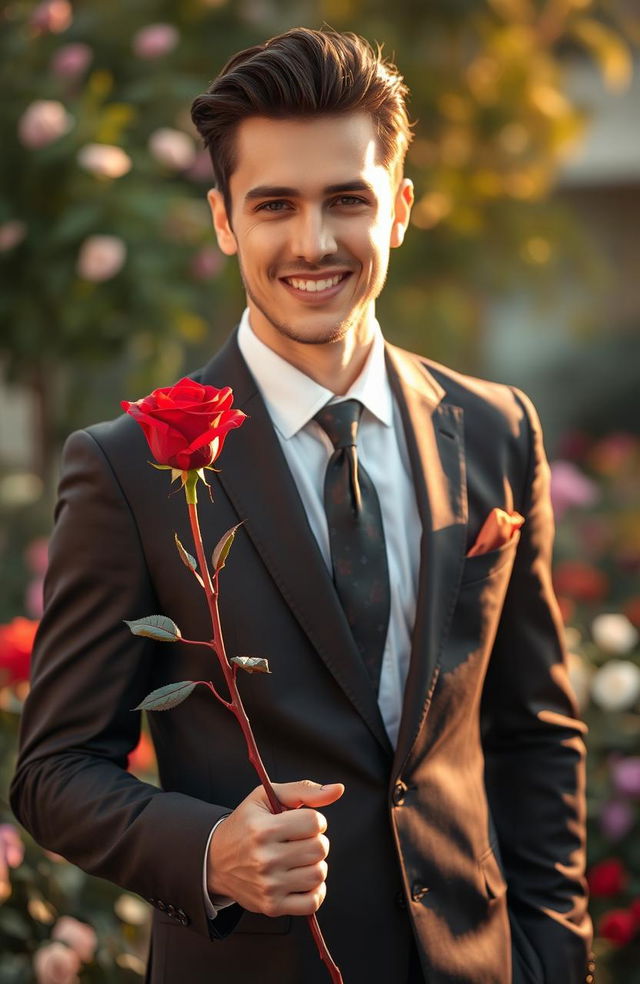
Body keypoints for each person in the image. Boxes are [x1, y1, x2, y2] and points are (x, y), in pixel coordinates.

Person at [11, 27, 594, 984]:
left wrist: (553, 959)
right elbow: (53, 773)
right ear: (223, 219)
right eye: (274, 204)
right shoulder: (126, 470)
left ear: (400, 208)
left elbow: (535, 732)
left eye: (347, 201)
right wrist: (208, 850)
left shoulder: (497, 430)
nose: (313, 243)